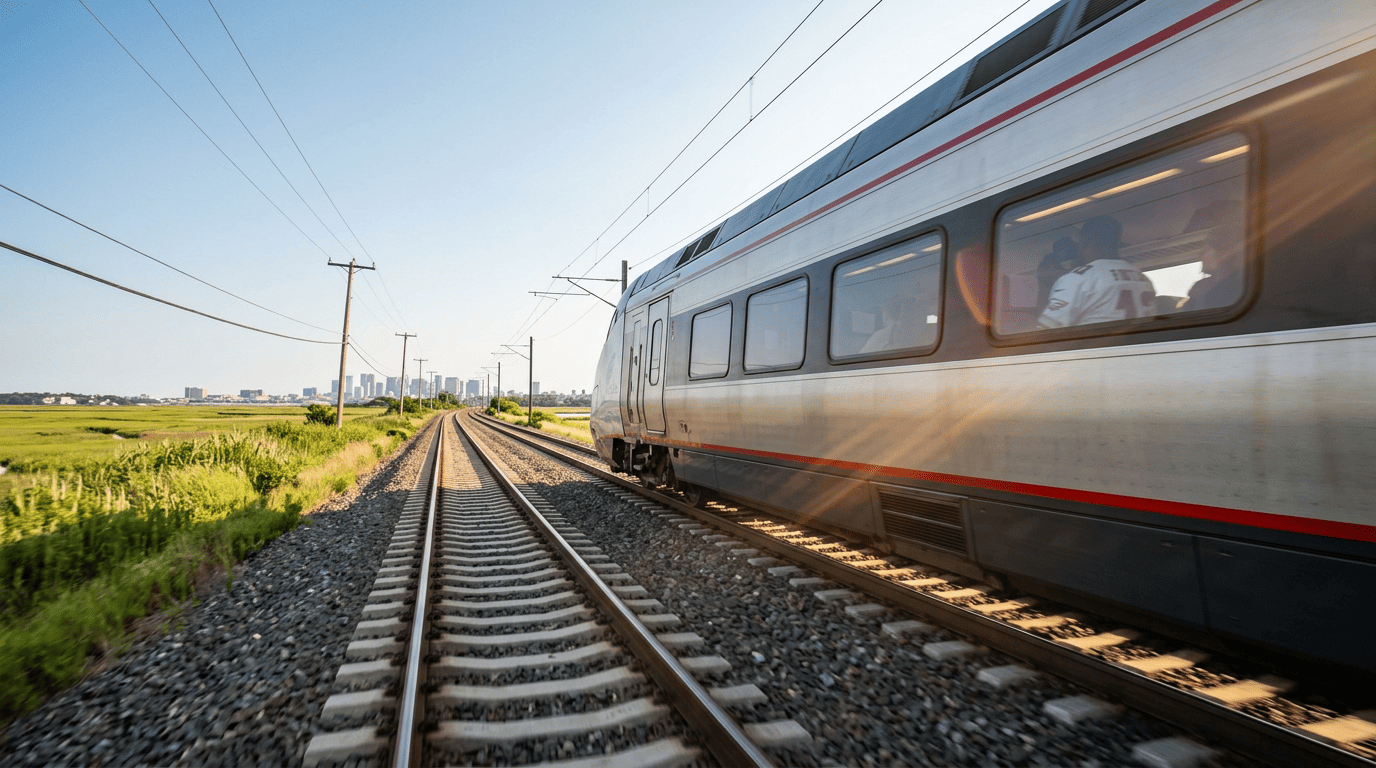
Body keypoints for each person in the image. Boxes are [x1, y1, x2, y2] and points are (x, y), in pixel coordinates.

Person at [1037, 215, 1157, 329]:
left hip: (1097, 349)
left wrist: (1043, 283)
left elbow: (1046, 332)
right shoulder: (1142, 277)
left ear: (1086, 240)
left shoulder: (1077, 279)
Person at [1180, 200, 1245, 311]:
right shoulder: (1202, 287)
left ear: (1224, 253)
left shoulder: (1237, 286)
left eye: (1204, 252)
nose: (1201, 257)